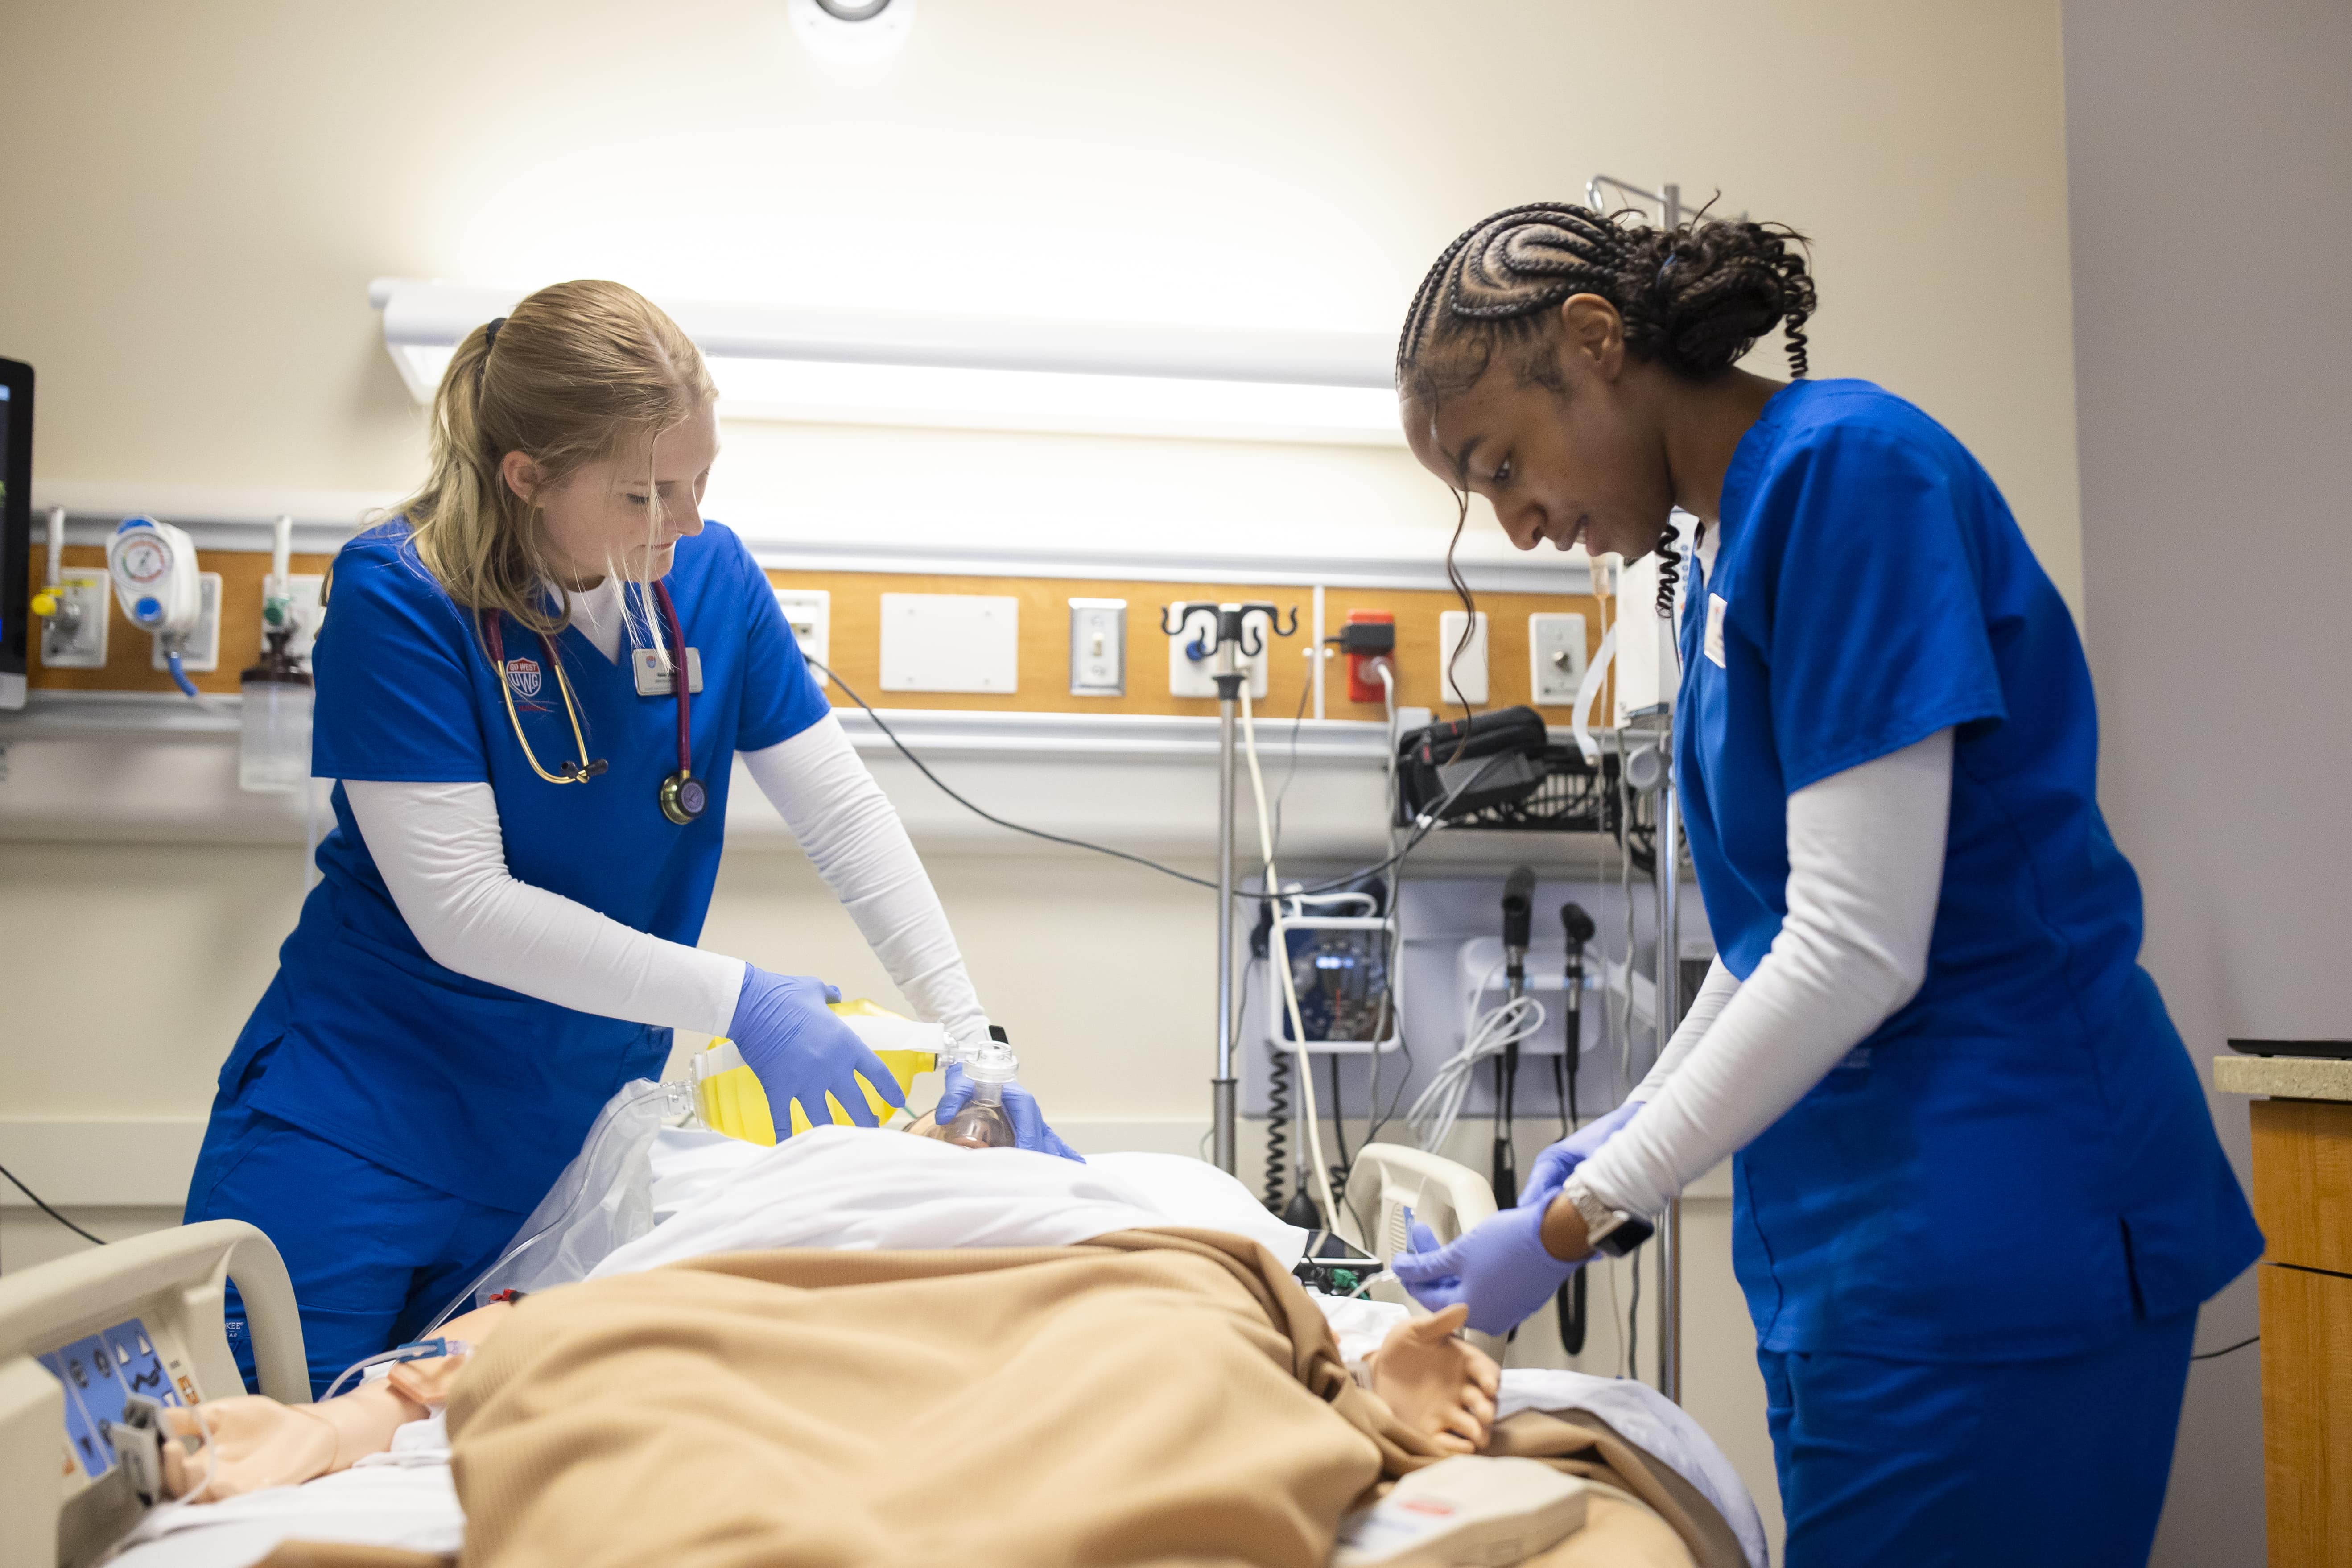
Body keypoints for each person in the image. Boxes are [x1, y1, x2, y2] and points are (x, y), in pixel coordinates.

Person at [1384, 204, 2261, 1565]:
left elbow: (1856, 943)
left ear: (1596, 341)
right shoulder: (1731, 544)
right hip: (1869, 1248)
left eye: (1503, 463)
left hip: (1994, 1217)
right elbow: (1769, 925)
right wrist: (1619, 1131)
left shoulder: (1849, 476)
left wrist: (1578, 1211)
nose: (1515, 524)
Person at [183, 279, 1073, 1399]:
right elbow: (462, 907)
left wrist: (969, 1044)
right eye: (650, 493)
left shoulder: (708, 576)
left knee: (486, 1471)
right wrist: (742, 998)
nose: (690, 520)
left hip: (568, 1148)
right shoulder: (400, 596)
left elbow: (843, 815)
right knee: (263, 1457)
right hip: (360, 1129)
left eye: (703, 480)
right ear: (529, 479)